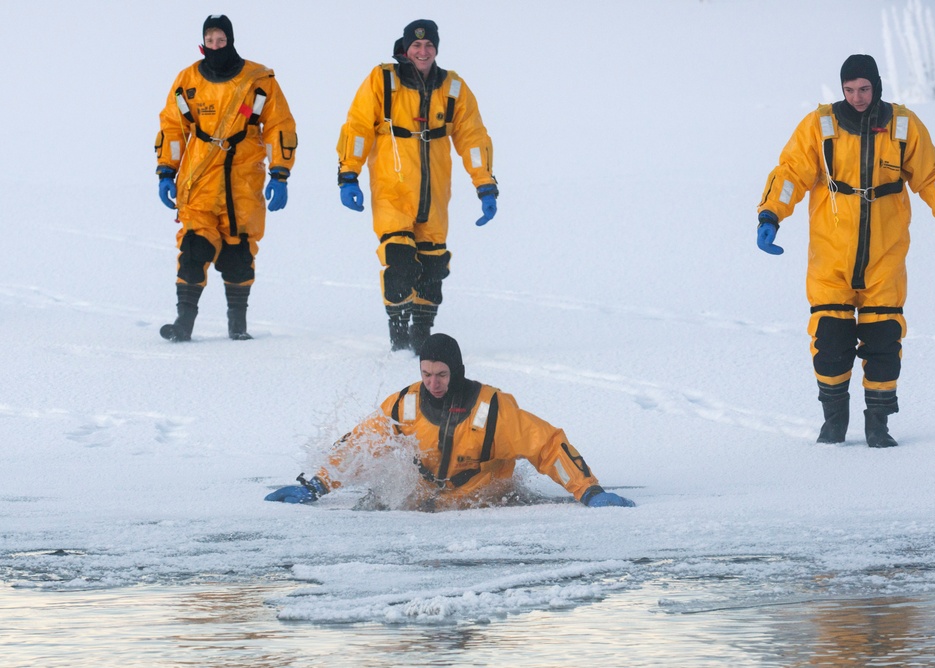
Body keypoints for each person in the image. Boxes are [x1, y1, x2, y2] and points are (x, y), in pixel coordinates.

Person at [756, 54, 935, 448]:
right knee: (830, 344)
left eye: (864, 89)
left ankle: (878, 424)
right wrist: (771, 215)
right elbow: (790, 173)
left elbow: (931, 177)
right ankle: (833, 422)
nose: (857, 97)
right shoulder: (819, 126)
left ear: (876, 86)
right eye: (849, 89)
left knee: (884, 344)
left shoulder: (903, 127)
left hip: (884, 259)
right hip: (830, 259)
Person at [265, 334, 635, 510]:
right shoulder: (404, 406)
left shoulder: (492, 411)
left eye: (441, 374)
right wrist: (316, 485)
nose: (432, 383)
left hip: (483, 505)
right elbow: (360, 445)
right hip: (425, 502)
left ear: (456, 371)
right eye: (426, 374)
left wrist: (588, 490)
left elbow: (548, 445)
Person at [336, 20, 498, 353]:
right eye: (416, 46)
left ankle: (421, 334)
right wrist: (348, 174)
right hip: (392, 190)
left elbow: (473, 137)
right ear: (405, 48)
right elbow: (358, 127)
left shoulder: (452, 87)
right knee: (400, 261)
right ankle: (398, 337)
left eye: (428, 46)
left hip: (435, 195)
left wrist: (485, 184)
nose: (422, 52)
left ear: (436, 49)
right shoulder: (384, 80)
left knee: (434, 266)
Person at [155, 15, 297, 342]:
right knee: (193, 249)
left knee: (239, 254)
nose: (216, 46)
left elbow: (279, 126)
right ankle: (183, 324)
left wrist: (280, 172)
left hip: (242, 183)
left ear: (231, 41)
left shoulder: (259, 80)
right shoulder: (187, 80)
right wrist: (166, 170)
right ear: (202, 44)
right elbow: (173, 128)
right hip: (198, 181)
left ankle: (238, 325)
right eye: (210, 40)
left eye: (221, 40)